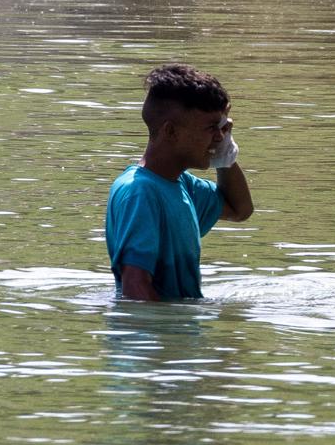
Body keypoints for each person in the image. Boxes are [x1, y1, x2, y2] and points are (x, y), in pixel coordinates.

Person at [106, 62, 254, 301]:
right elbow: (134, 286)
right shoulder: (140, 192)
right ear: (170, 131)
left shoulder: (182, 184)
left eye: (222, 128)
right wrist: (171, 335)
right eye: (211, 128)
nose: (219, 136)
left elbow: (240, 210)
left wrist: (225, 158)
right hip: (159, 336)